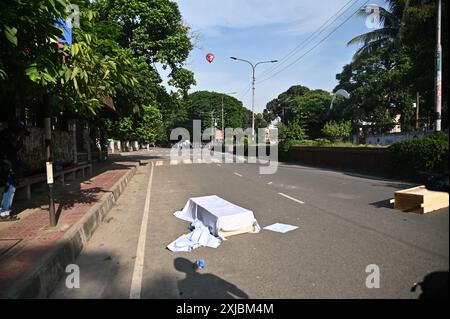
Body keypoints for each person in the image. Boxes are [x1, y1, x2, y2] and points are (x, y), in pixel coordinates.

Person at [0, 121, 30, 221]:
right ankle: (4, 213)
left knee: (10, 188)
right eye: (21, 133)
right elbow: (9, 156)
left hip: (9, 168)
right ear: (17, 131)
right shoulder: (5, 140)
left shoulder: (11, 140)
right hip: (6, 168)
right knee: (10, 189)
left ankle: (5, 211)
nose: (22, 136)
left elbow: (13, 154)